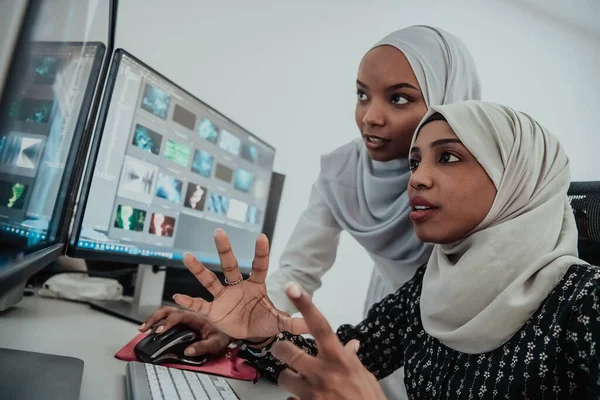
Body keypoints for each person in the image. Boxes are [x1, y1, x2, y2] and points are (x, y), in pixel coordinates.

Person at [170, 100, 600, 399]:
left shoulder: (587, 303)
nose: (416, 179)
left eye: (447, 158)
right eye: (415, 162)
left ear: (516, 178)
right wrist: (262, 332)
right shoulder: (428, 287)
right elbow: (343, 359)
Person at [141, 25, 481, 399]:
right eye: (362, 95)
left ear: (448, 103)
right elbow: (298, 271)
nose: (370, 117)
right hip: (391, 319)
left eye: (399, 99)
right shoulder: (343, 172)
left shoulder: (476, 186)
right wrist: (235, 324)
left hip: (456, 323)